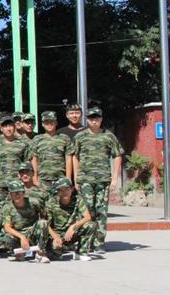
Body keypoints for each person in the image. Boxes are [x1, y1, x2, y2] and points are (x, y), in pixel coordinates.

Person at [72, 107, 123, 252]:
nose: (94, 121)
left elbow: (117, 155)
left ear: (101, 119)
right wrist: (76, 178)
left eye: (97, 118)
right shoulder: (80, 136)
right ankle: (85, 241)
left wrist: (115, 178)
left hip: (103, 180)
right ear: (87, 119)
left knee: (101, 211)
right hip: (85, 180)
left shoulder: (109, 136)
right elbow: (75, 156)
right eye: (91, 118)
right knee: (86, 211)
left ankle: (99, 242)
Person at [44, 178, 95, 261]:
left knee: (90, 225)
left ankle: (81, 253)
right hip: (57, 235)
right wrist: (55, 237)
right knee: (57, 252)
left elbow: (87, 217)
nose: (64, 192)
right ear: (57, 192)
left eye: (67, 189)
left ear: (72, 189)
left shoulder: (78, 200)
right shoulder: (52, 202)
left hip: (71, 233)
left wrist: (73, 226)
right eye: (61, 190)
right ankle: (55, 251)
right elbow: (45, 224)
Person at [0, 181, 50, 263]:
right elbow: (7, 227)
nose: (17, 195)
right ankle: (20, 252)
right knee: (5, 239)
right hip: (18, 234)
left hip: (32, 232)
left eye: (19, 192)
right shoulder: (7, 207)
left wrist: (52, 234)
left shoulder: (34, 202)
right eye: (14, 193)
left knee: (43, 223)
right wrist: (22, 237)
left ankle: (40, 253)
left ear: (24, 193)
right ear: (10, 195)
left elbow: (44, 216)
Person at [30, 110, 74, 187]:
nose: (49, 124)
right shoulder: (37, 139)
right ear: (42, 124)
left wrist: (68, 178)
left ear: (56, 123)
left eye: (52, 122)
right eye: (46, 122)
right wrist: (34, 178)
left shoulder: (64, 138)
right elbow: (34, 159)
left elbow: (68, 158)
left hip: (60, 179)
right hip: (42, 180)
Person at [0, 116, 31, 190]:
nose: (8, 129)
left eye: (10, 126)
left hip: (18, 184)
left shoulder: (23, 144)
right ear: (1, 129)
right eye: (5, 126)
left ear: (14, 127)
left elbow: (27, 164)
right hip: (1, 184)